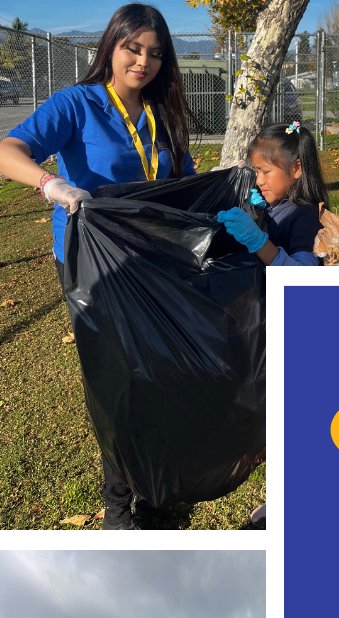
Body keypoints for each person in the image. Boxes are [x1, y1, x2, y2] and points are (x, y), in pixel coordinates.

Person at [0, 3, 196, 530]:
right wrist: (50, 184)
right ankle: (117, 506)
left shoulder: (165, 112)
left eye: (155, 53)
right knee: (118, 384)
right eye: (133, 48)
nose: (143, 61)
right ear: (110, 46)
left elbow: (185, 187)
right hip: (94, 266)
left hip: (154, 262)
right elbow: (7, 149)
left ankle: (154, 489)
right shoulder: (78, 104)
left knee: (158, 376)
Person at [216, 121, 328, 267]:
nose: (259, 180)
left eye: (266, 172)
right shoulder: (272, 204)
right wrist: (256, 213)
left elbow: (303, 278)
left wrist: (258, 242)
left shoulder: (305, 216)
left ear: (296, 169)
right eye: (256, 171)